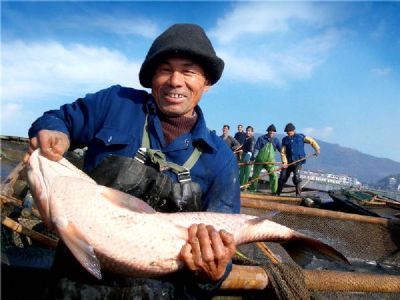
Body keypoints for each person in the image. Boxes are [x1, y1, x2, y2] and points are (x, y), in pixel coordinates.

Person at [24, 23, 240, 299]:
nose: (175, 81)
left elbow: (222, 253)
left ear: (206, 82)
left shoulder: (220, 159)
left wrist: (211, 276)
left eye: (189, 71)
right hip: (72, 287)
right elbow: (56, 118)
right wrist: (54, 131)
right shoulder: (114, 103)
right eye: (165, 69)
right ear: (151, 77)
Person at [276, 122, 320, 196]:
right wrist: (284, 162)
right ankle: (277, 194)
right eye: (287, 132)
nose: (288, 133)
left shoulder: (301, 137)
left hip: (298, 162)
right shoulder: (285, 140)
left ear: (293, 130)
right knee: (282, 177)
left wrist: (317, 149)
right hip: (288, 163)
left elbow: (312, 141)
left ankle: (298, 195)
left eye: (289, 131)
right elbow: (283, 152)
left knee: (296, 177)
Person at [248, 124, 281, 193]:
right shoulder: (261, 138)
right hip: (259, 161)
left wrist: (285, 159)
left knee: (274, 175)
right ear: (268, 131)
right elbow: (256, 149)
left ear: (274, 132)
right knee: (255, 175)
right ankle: (252, 189)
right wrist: (252, 159)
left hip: (270, 162)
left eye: (273, 132)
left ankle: (274, 192)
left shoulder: (276, 140)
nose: (272, 133)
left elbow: (281, 151)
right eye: (270, 132)